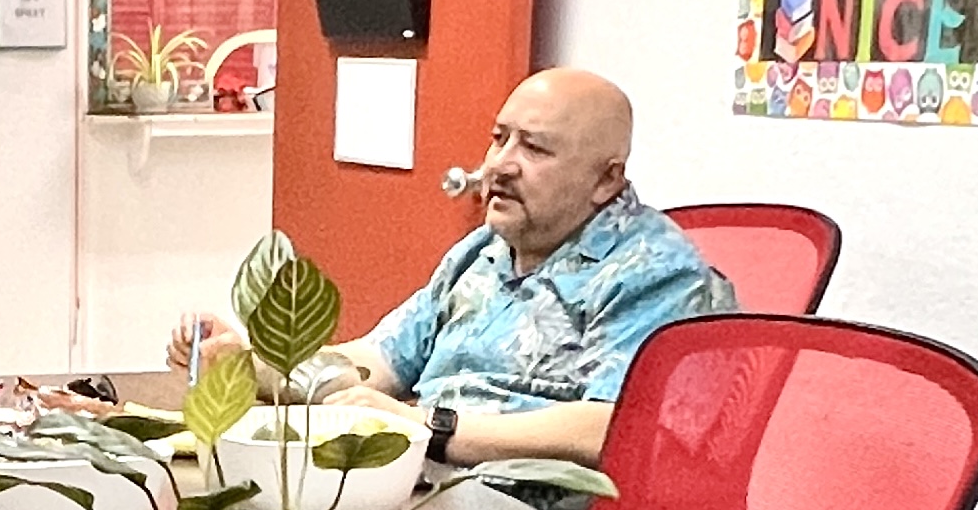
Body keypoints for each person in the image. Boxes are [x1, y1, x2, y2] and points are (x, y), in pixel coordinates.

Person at [173, 68, 731, 473]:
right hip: (431, 489)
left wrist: (429, 428)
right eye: (498, 138)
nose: (498, 166)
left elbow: (610, 427)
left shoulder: (655, 274)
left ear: (606, 180)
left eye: (534, 149)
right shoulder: (481, 252)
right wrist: (255, 364)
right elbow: (379, 364)